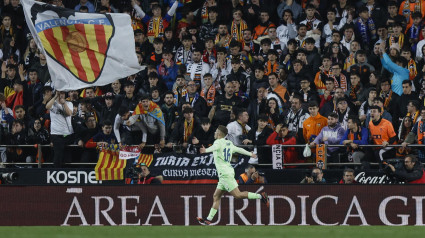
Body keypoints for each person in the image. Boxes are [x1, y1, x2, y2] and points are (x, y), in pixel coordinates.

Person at [196, 125, 269, 225]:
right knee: (216, 196)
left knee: (238, 195)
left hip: (225, 174)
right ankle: (208, 219)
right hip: (227, 172)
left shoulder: (218, 142)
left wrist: (206, 150)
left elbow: (214, 147)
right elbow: (239, 150)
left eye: (216, 131)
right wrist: (250, 154)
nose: (214, 132)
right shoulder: (229, 143)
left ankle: (261, 196)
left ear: (219, 134)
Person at [46, 91, 73, 168]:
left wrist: (64, 103)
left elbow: (69, 113)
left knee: (67, 156)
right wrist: (54, 97)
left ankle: (66, 173)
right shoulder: (53, 103)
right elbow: (47, 107)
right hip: (56, 134)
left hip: (67, 133)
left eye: (63, 93)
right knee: (58, 155)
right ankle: (56, 173)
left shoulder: (69, 103)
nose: (61, 95)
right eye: (59, 93)